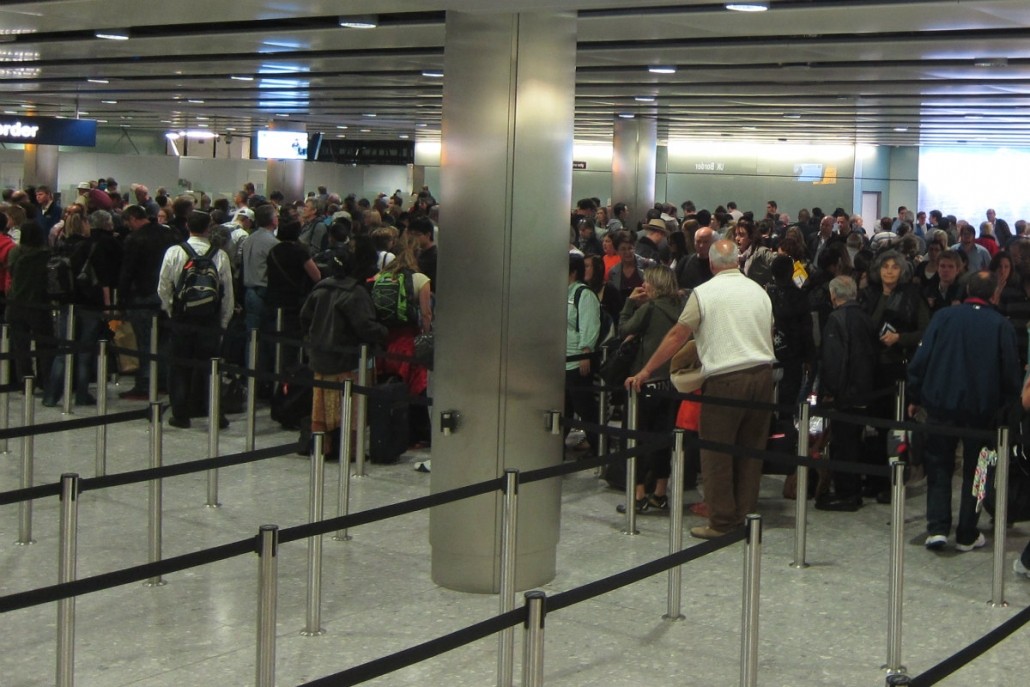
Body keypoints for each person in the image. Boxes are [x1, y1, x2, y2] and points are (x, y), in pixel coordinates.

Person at [627, 239, 775, 539]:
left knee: (716, 453)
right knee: (750, 452)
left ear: (710, 263)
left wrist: (646, 369)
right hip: (763, 377)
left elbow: (677, 335)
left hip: (725, 379)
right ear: (738, 260)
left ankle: (721, 522)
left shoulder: (704, 293)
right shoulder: (759, 291)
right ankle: (746, 517)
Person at [907, 271, 1021, 551]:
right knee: (978, 471)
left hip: (940, 405)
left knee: (938, 465)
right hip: (982, 413)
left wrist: (914, 394)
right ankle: (967, 531)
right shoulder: (1000, 325)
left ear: (967, 288)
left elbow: (921, 359)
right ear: (995, 293)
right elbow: (1010, 374)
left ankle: (937, 527)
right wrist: (1009, 408)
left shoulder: (944, 317)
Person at [300, 250, 387, 457]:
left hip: (320, 357)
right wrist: (385, 333)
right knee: (353, 406)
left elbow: (305, 318)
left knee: (321, 406)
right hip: (348, 361)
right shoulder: (355, 293)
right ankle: (351, 449)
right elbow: (365, 326)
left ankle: (323, 446)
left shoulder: (319, 289)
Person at [157, 211, 235, 429]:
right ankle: (215, 413)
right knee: (211, 367)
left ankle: (181, 414)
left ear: (187, 225)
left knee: (180, 366)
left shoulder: (175, 252)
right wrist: (224, 322)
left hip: (182, 317)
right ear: (208, 228)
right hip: (210, 320)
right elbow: (227, 293)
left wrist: (171, 310)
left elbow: (163, 287)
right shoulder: (219, 255)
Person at [615, 266, 683, 513]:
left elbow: (624, 329)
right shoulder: (682, 308)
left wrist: (629, 304)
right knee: (664, 439)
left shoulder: (649, 309)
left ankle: (639, 494)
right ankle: (660, 493)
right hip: (673, 384)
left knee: (636, 438)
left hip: (646, 382)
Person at [814, 276, 878, 511]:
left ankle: (846, 492)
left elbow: (833, 359)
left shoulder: (835, 319)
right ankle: (853, 489)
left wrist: (830, 392)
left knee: (843, 443)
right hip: (864, 390)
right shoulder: (865, 317)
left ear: (833, 295)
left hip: (845, 393)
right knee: (853, 442)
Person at [4, 222, 54, 386]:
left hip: (17, 302)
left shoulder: (15, 252)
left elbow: (11, 272)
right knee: (45, 345)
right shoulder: (46, 253)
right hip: (40, 304)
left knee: (20, 346)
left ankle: (25, 380)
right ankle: (45, 379)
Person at [566, 253, 602, 455]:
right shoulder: (562, 293)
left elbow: (589, 324)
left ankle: (598, 446)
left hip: (576, 360)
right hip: (561, 360)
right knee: (565, 406)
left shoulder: (583, 294)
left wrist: (585, 353)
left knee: (584, 407)